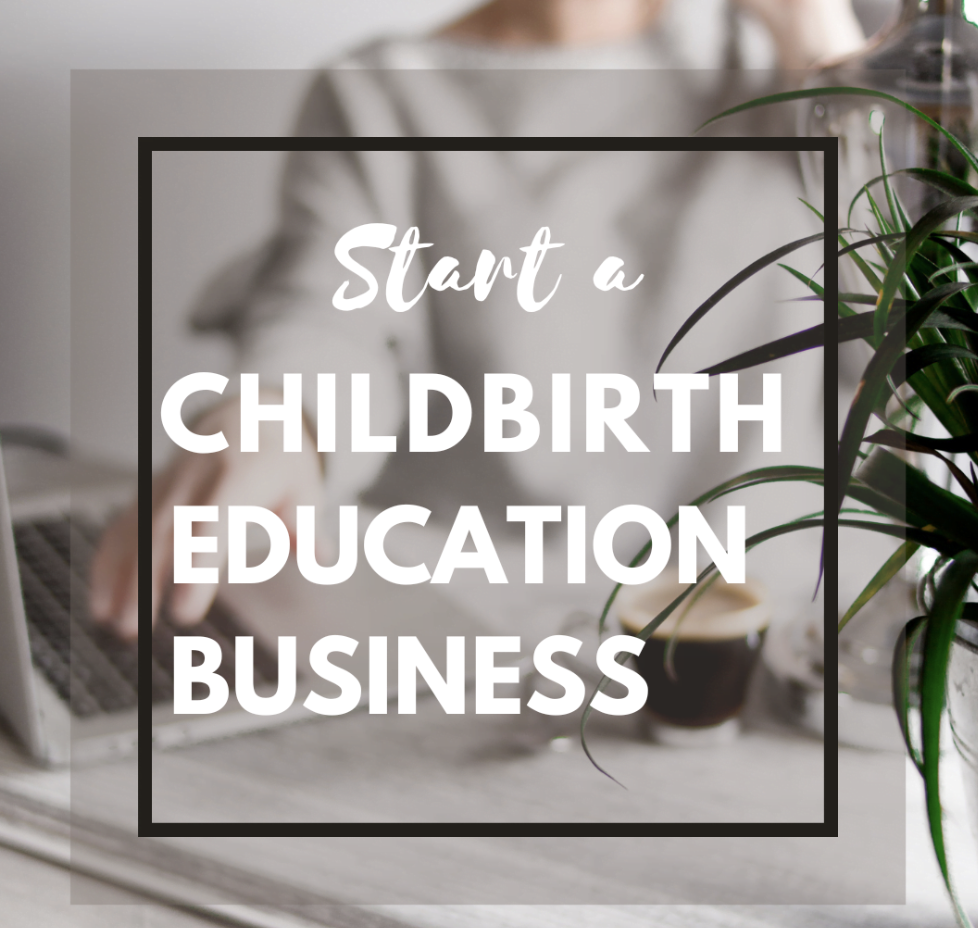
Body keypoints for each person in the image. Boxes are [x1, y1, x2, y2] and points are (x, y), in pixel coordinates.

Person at [91, 0, 866, 641]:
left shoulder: (801, 81)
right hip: (475, 640)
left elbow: (901, 350)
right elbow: (329, 315)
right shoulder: (381, 91)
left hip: (758, 634)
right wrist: (279, 416)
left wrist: (828, 56)